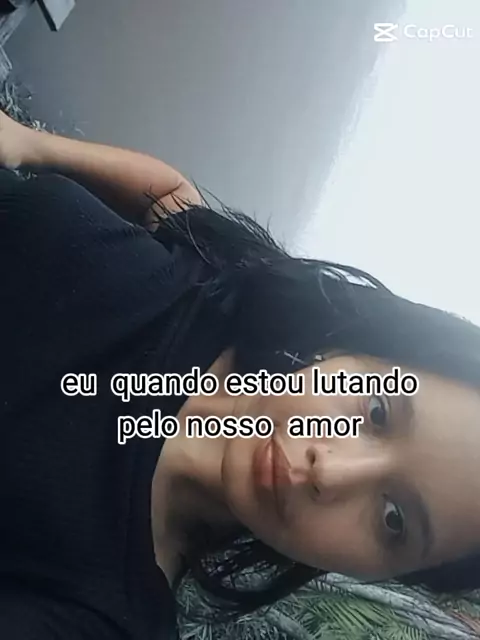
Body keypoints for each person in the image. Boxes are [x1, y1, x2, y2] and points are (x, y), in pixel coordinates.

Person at [0, 110, 479, 640]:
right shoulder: (227, 284)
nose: (331, 471)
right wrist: (30, 144)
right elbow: (169, 194)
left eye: (393, 519)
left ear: (386, 574)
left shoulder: (102, 613)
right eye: (378, 410)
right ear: (359, 350)